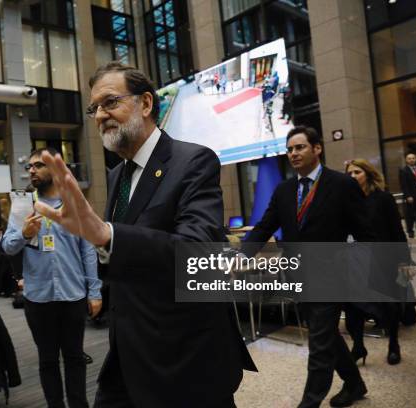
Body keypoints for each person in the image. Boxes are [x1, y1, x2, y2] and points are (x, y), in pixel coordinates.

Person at [33, 61, 255, 408]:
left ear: (146, 104)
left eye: (110, 102)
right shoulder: (116, 175)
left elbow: (197, 252)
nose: (100, 115)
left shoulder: (194, 161)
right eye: (94, 108)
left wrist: (107, 236)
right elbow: (121, 258)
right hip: (128, 355)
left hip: (185, 360)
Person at [244, 126, 375, 407]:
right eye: (290, 149)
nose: (293, 153)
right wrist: (241, 254)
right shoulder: (284, 190)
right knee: (325, 335)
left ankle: (309, 402)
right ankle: (354, 385)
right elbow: (265, 225)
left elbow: (365, 232)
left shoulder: (342, 185)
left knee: (319, 344)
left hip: (333, 277)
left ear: (317, 148)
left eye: (300, 147)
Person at [3, 146, 103, 408]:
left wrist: (94, 291)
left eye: (39, 165)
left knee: (75, 357)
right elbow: (7, 247)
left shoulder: (74, 203)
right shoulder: (24, 206)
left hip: (73, 295)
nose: (32, 171)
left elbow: (88, 250)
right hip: (38, 298)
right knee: (47, 360)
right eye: (30, 167)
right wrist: (24, 233)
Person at [345, 159, 412, 365]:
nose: (353, 177)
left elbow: (396, 230)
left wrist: (405, 261)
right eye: (349, 173)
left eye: (357, 172)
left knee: (389, 305)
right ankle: (358, 347)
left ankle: (393, 344)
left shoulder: (383, 198)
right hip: (356, 259)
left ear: (368, 174)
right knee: (352, 306)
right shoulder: (346, 201)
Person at [399, 153, 416, 238]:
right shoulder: (404, 170)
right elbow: (403, 185)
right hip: (411, 195)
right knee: (410, 214)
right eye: (409, 158)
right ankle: (410, 231)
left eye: (413, 158)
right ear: (406, 160)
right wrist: (408, 196)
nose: (412, 160)